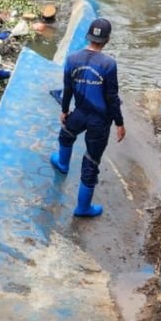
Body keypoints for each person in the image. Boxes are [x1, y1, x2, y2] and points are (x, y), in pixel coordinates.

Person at [50, 18, 126, 217]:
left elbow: (67, 88)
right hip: (100, 120)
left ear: (88, 36)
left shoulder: (73, 59)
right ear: (107, 39)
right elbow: (112, 97)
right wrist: (119, 123)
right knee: (91, 161)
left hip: (80, 111)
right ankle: (83, 208)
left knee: (66, 133)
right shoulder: (109, 64)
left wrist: (65, 110)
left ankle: (62, 164)